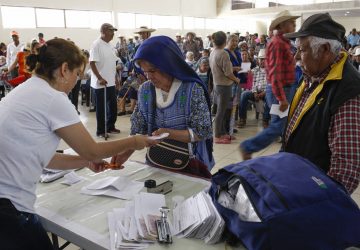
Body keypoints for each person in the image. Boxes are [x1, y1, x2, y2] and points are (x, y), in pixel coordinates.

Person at [0, 38, 157, 250]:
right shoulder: (52, 97)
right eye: (76, 74)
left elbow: (45, 157)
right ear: (64, 69)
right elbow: (92, 149)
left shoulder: (26, 90)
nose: (76, 81)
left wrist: (83, 161)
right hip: (9, 206)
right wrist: (135, 141)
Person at [111, 36, 215, 177]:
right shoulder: (146, 91)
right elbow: (139, 127)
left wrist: (168, 133)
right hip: (157, 161)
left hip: (189, 164)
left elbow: (203, 131)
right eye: (144, 71)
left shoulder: (191, 90)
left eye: (152, 71)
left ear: (169, 65)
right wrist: (126, 151)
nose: (148, 76)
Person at [283, 13, 360, 194]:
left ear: (325, 49)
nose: (296, 58)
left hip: (310, 197)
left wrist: (312, 204)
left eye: (302, 50)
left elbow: (345, 171)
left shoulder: (348, 91)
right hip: (295, 179)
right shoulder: (314, 75)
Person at [240, 10, 299, 159]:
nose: (294, 25)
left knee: (284, 124)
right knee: (279, 125)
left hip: (285, 88)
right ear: (283, 25)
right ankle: (248, 146)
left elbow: (284, 66)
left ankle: (285, 153)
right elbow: (273, 73)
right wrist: (282, 98)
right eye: (292, 23)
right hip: (281, 90)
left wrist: (294, 58)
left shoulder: (284, 42)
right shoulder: (277, 43)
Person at [90, 23, 121, 137]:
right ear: (103, 31)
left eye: (113, 31)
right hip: (100, 84)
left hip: (111, 82)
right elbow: (92, 63)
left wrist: (116, 79)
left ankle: (110, 126)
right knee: (101, 109)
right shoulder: (96, 44)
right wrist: (99, 78)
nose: (113, 33)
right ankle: (101, 131)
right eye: (110, 31)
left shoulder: (110, 45)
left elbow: (113, 64)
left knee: (113, 106)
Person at [209, 31, 241, 144]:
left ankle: (222, 132)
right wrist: (236, 79)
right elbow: (227, 73)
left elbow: (221, 69)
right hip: (224, 86)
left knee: (222, 110)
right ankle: (217, 135)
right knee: (221, 112)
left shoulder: (213, 52)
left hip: (217, 85)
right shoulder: (223, 53)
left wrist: (232, 69)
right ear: (225, 41)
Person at [238, 48, 269, 128]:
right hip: (255, 92)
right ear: (258, 60)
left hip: (266, 92)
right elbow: (252, 83)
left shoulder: (270, 71)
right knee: (244, 94)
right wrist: (255, 92)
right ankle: (242, 119)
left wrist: (263, 93)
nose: (262, 61)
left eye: (264, 59)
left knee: (270, 97)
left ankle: (265, 120)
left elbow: (270, 85)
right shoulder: (254, 70)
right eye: (261, 59)